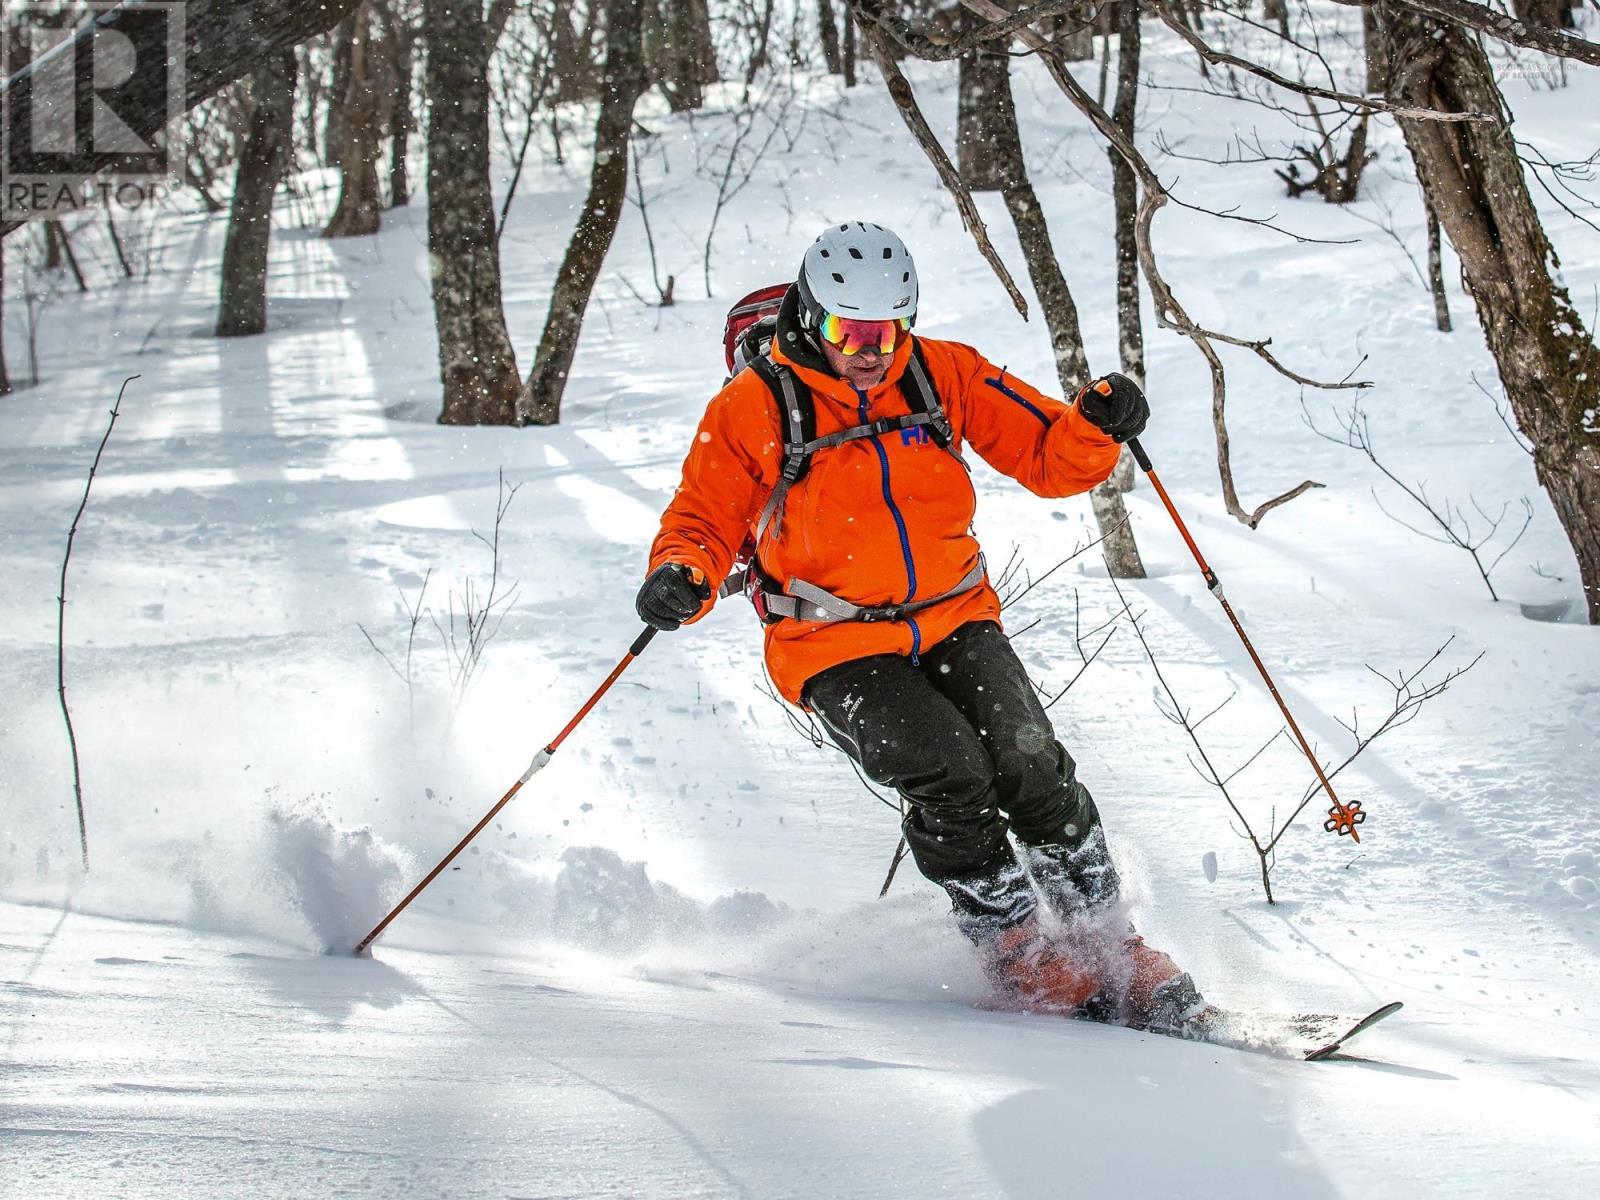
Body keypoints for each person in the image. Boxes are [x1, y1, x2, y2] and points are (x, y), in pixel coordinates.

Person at [636, 222, 1206, 1031]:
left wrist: (1095, 425)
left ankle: (1109, 944)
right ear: (810, 314)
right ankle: (1020, 954)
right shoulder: (753, 405)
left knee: (1030, 763)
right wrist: (682, 575)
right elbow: (703, 516)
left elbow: (1047, 453)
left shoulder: (941, 373)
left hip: (953, 616)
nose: (869, 351)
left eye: (886, 331)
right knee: (951, 772)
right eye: (847, 331)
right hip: (830, 642)